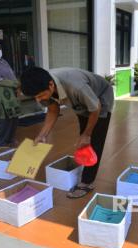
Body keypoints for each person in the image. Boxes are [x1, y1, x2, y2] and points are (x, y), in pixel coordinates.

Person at [20, 67, 114, 198]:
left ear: (51, 85)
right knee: (84, 136)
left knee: (94, 140)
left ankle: (87, 182)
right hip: (82, 102)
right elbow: (53, 110)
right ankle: (85, 160)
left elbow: (95, 107)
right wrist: (42, 135)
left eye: (40, 96)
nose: (38, 100)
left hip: (101, 97)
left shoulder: (76, 87)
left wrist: (87, 134)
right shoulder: (44, 86)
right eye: (35, 97)